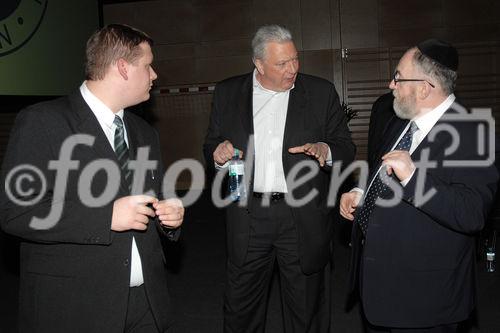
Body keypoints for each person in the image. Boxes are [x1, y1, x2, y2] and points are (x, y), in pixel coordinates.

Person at [0, 24, 184, 333]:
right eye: (148, 65)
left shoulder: (144, 132)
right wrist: (105, 216)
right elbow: (15, 212)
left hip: (146, 305)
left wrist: (172, 217)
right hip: (77, 307)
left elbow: (158, 197)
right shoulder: (43, 121)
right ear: (123, 68)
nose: (154, 75)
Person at [204, 24, 355, 332]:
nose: (293, 69)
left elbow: (346, 146)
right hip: (247, 214)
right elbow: (211, 142)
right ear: (258, 64)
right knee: (240, 309)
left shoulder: (320, 91)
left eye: (295, 59)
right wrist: (216, 153)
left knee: (306, 310)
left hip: (300, 216)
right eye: (281, 63)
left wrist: (324, 148)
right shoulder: (229, 92)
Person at [340, 39, 498, 332]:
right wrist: (361, 192)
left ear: (424, 88)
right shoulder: (402, 120)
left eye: (398, 77)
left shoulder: (474, 134)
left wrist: (414, 178)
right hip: (379, 287)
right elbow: (382, 167)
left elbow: (472, 212)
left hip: (424, 302)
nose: (391, 84)